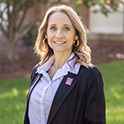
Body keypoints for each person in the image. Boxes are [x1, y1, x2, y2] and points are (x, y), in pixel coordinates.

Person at [24, 4, 106, 124]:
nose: (58, 35)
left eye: (66, 28)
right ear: (46, 34)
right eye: (53, 28)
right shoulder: (38, 71)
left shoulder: (89, 76)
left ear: (76, 35)